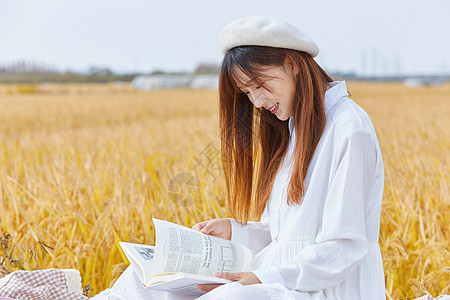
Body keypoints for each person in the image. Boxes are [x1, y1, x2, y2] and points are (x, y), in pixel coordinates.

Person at [93, 15, 385, 300]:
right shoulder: (294, 130)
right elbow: (285, 237)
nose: (256, 101)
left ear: (293, 64)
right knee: (143, 279)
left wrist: (261, 278)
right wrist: (235, 231)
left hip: (326, 287)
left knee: (229, 296)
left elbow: (343, 246)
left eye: (259, 85)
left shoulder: (349, 129)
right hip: (283, 277)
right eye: (247, 92)